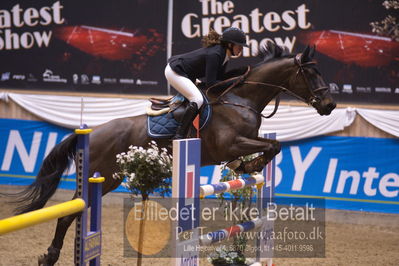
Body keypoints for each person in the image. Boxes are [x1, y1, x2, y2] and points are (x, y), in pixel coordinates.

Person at [165, 27, 249, 139]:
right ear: (230, 44)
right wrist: (236, 81)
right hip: (175, 71)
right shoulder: (215, 54)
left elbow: (220, 78)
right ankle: (179, 134)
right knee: (197, 99)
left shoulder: (224, 55)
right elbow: (212, 84)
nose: (241, 49)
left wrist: (238, 73)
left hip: (187, 74)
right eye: (239, 45)